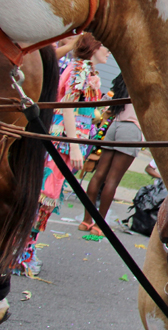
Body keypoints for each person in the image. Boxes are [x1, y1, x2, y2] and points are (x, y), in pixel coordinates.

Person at [13, 33, 109, 276]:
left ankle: (23, 251)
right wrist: (74, 144)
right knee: (43, 197)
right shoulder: (80, 69)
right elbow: (67, 105)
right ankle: (20, 255)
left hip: (68, 142)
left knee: (45, 197)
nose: (107, 51)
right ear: (92, 47)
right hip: (63, 144)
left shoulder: (88, 70)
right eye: (103, 47)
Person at [78, 74, 141, 236]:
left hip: (115, 125)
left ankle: (86, 221)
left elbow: (109, 102)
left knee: (99, 175)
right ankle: (100, 225)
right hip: (132, 129)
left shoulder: (123, 80)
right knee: (112, 180)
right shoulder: (141, 80)